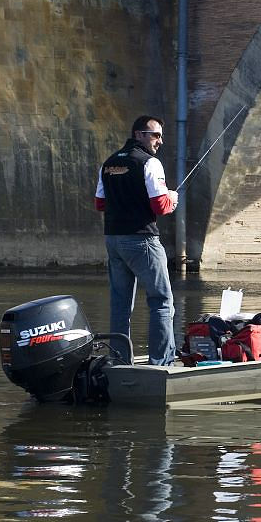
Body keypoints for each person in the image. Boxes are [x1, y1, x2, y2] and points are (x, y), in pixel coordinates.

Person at [95, 115, 179, 366]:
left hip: (113, 240)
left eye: (161, 136)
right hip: (142, 240)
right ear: (139, 135)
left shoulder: (108, 163)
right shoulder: (150, 163)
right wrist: (172, 198)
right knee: (162, 301)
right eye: (155, 135)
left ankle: (119, 361)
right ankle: (162, 363)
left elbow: (100, 203)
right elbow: (161, 205)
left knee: (120, 304)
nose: (160, 141)